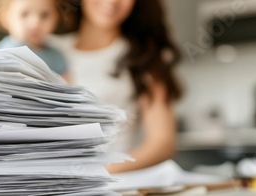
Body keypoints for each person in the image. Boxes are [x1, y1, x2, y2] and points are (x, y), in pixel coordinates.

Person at [50, 0, 184, 174]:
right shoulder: (50, 50)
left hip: (115, 184)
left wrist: (101, 172)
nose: (112, 2)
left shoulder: (144, 57)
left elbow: (162, 142)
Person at [0, 0, 71, 82]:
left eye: (44, 15)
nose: (35, 23)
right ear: (5, 17)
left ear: (57, 17)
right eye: (24, 14)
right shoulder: (4, 51)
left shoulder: (56, 57)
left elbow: (68, 86)